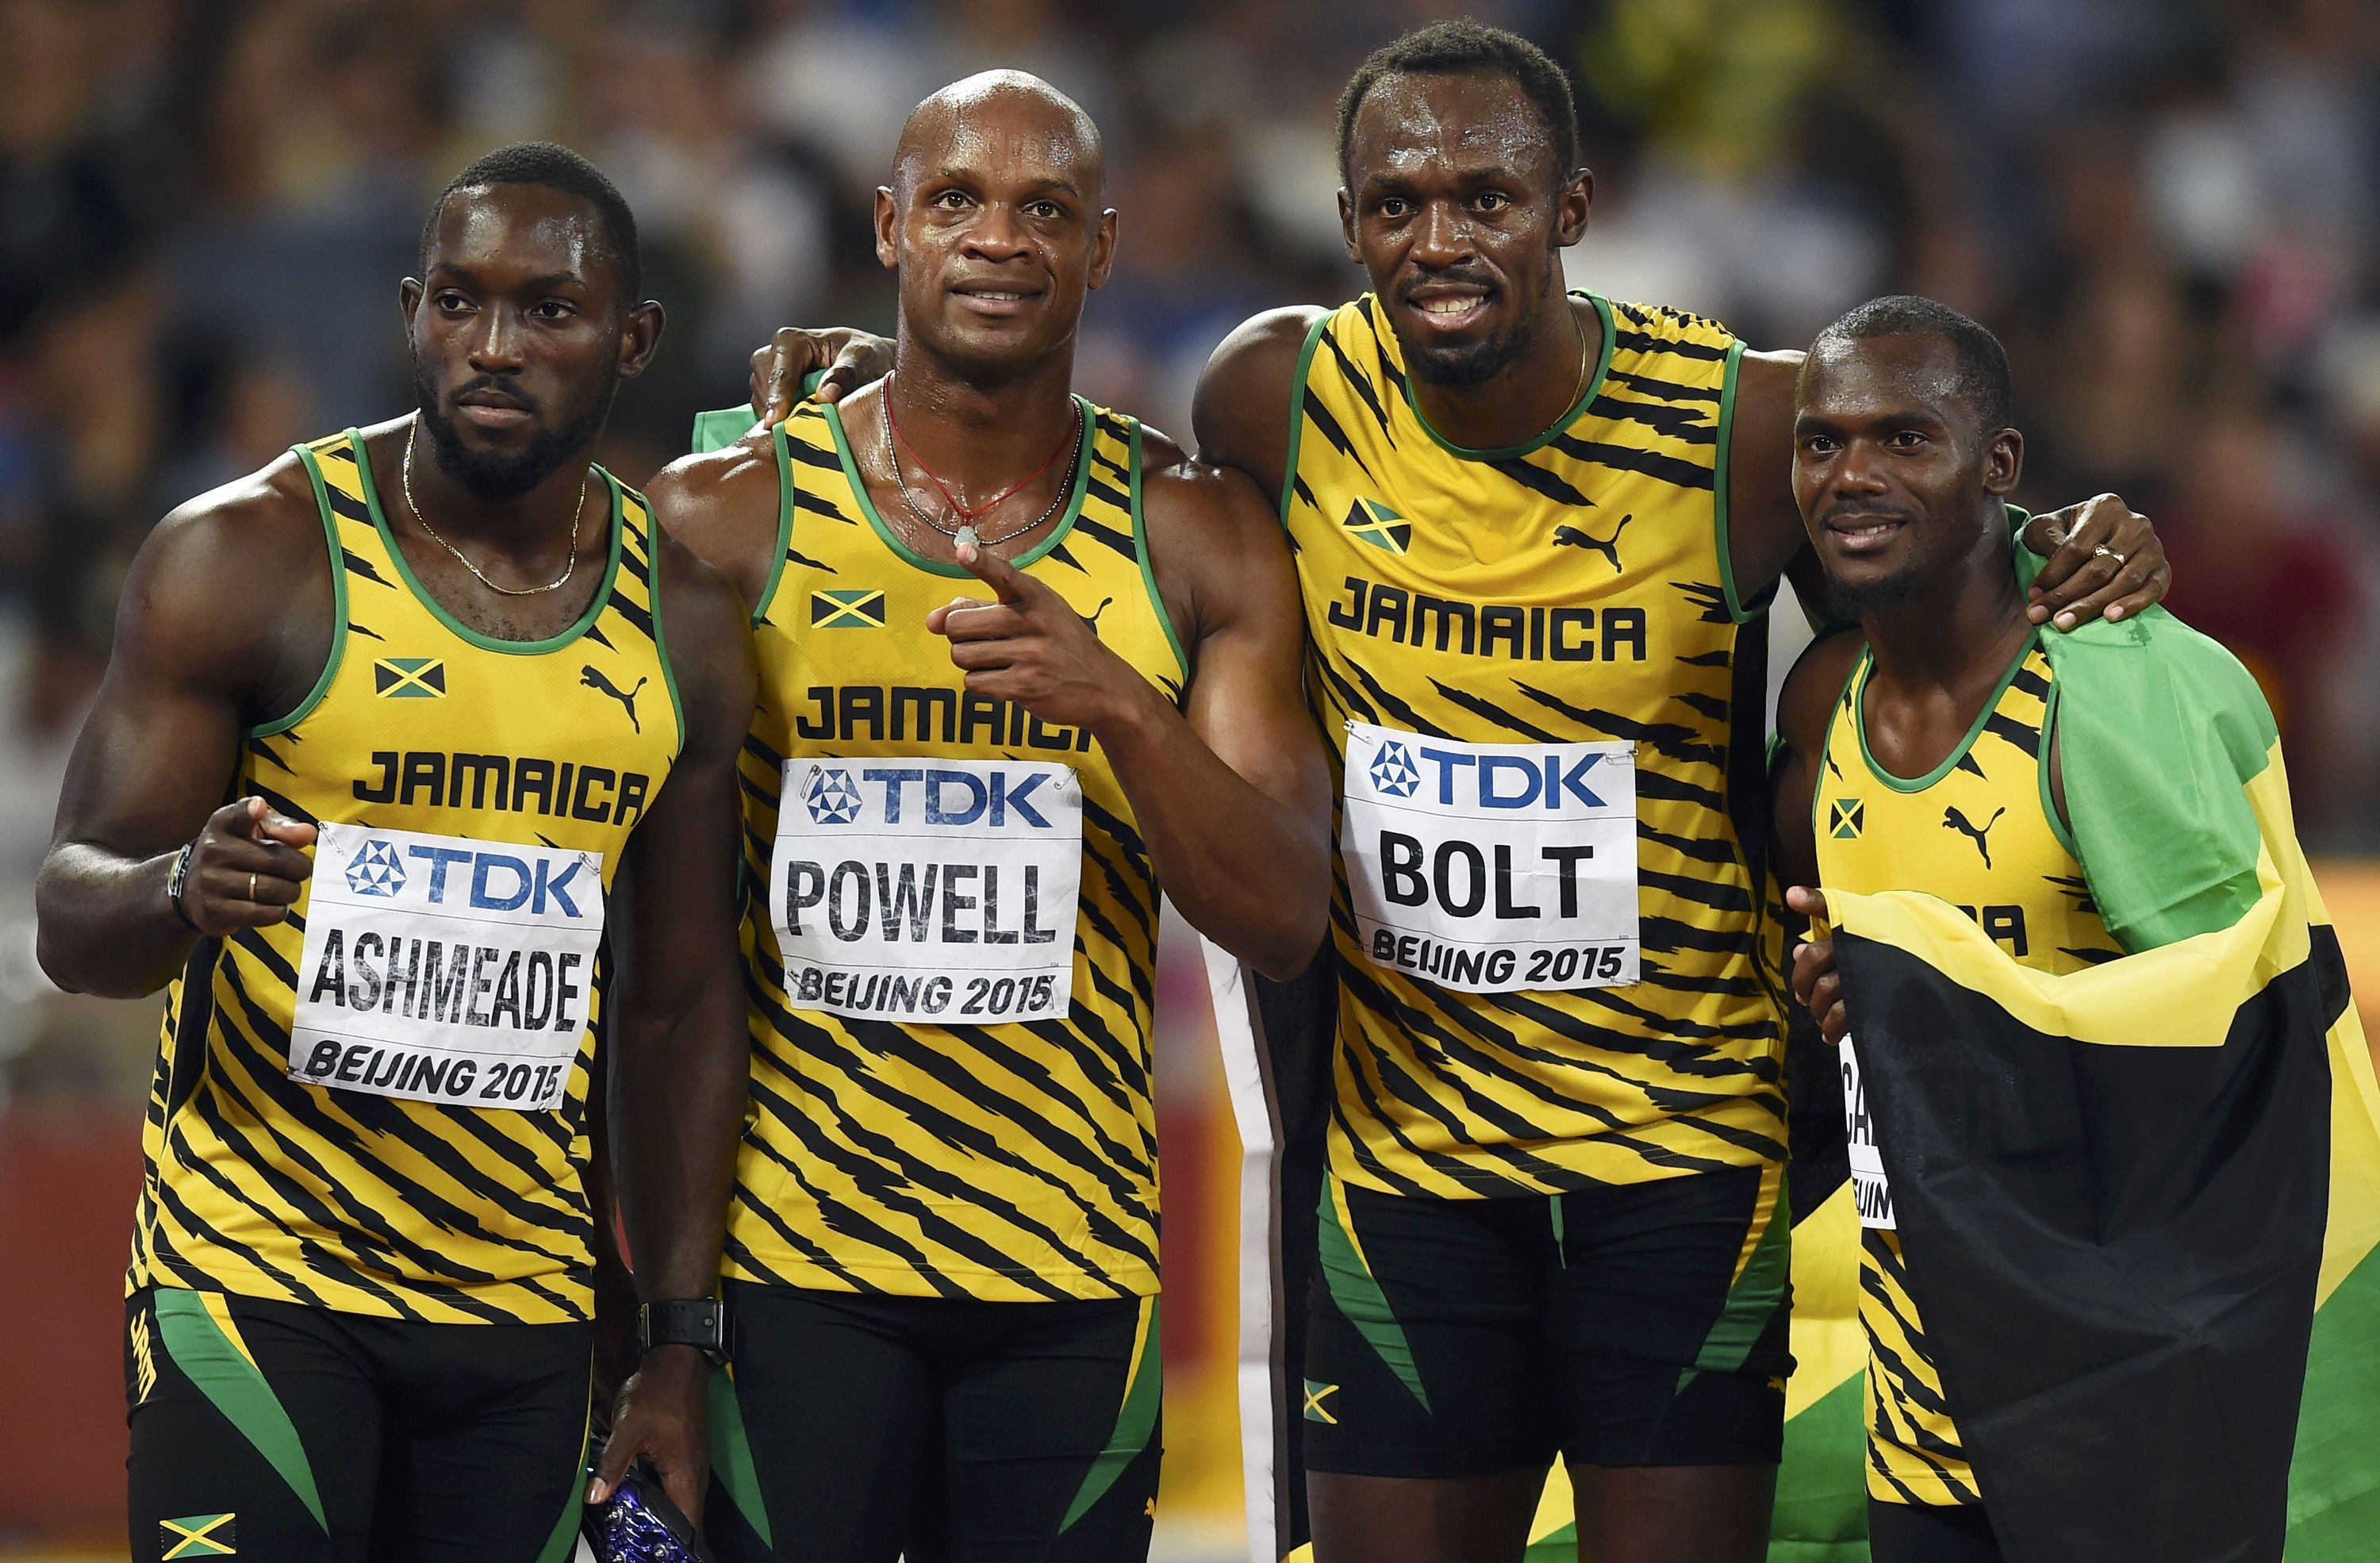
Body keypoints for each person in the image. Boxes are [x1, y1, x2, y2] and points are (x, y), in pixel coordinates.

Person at [739, 25, 2174, 1563]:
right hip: (1410, 1172)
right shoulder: (1274, 394)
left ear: (1572, 206)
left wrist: (2072, 538)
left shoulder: (1738, 427)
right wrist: (872, 388)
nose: (1440, 241)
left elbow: (1935, 558)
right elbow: (1072, 472)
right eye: (1398, 204)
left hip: (1680, 1164)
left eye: (1486, 199)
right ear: (1349, 219)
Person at [601, 72, 1331, 1563]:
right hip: (790, 1266)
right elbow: (646, 964)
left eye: (1044, 209)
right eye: (957, 201)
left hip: (1069, 1273)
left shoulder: (1193, 534)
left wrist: (1125, 707)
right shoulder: (724, 519)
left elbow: (1283, 913)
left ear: (1105, 246)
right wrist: (656, 1323)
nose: (1000, 240)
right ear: (888, 227)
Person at [34, 144, 756, 1561]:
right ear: (413, 310)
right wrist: (183, 888)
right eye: (461, 303)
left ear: (634, 337)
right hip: (255, 1274)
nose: (495, 347)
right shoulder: (246, 556)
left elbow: (673, 1004)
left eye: (548, 310)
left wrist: (673, 1336)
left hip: (521, 1313)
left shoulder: (686, 621)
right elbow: (71, 915)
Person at [1772, 296, 2376, 1563]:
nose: (1854, 476)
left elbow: (2239, 1043)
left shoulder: (2104, 682)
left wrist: (1929, 1004)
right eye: (1821, 443)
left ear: (1998, 466)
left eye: (1903, 439)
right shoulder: (1823, 702)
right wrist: (1839, 996)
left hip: (2124, 1392)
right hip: (1920, 1403)